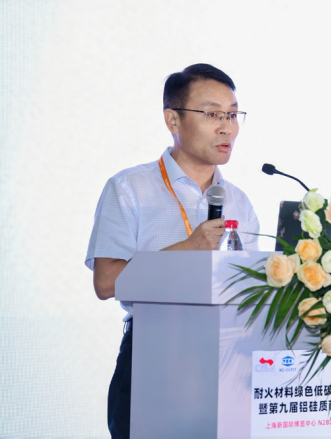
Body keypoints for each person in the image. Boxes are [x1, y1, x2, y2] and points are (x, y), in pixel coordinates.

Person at [85, 63, 260, 439]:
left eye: (232, 115)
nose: (227, 127)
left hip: (229, 359)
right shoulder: (130, 188)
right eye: (212, 114)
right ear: (173, 120)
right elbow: (106, 282)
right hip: (154, 353)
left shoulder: (240, 202)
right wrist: (188, 247)